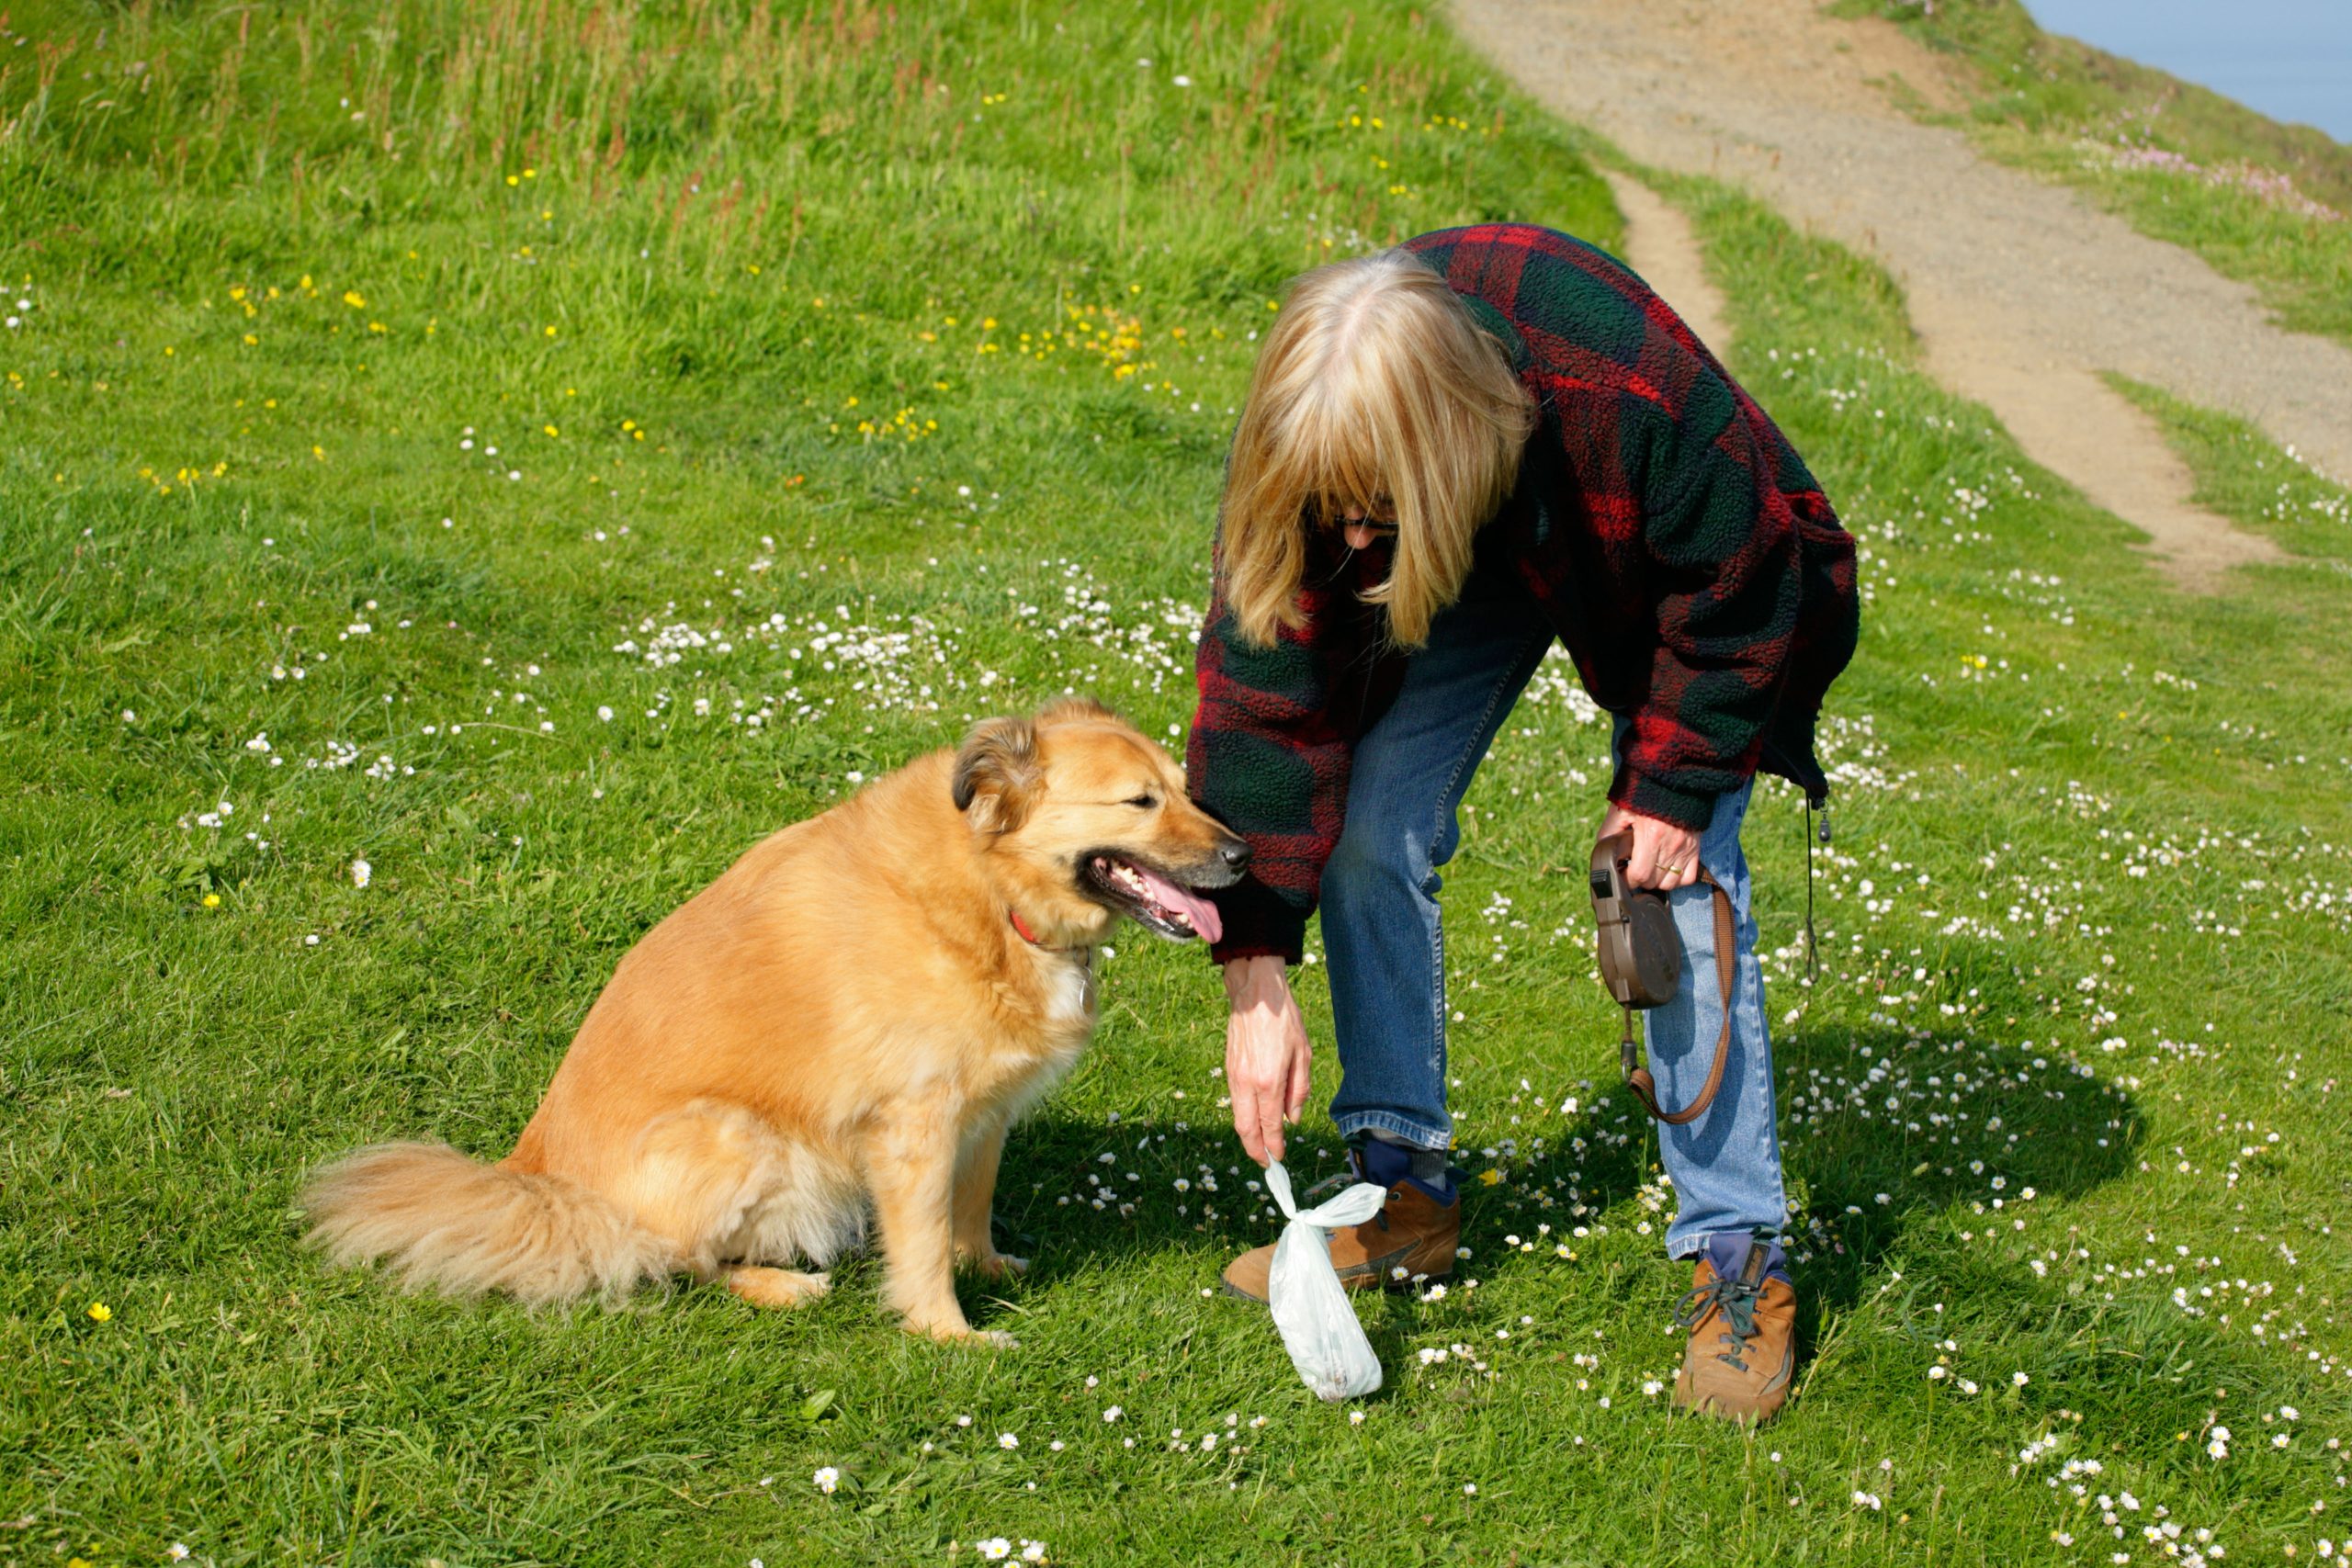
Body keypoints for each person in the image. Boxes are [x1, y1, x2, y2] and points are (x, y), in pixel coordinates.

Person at [1183, 223, 1859, 1424]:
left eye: (1369, 514)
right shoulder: (1321, 434)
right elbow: (1264, 708)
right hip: (1462, 529)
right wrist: (1253, 960)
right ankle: (1406, 1192)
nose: (1345, 544)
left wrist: (1671, 785)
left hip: (1652, 565)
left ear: (1442, 454)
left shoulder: (1632, 392)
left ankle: (1739, 1259)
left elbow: (1746, 578)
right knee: (1368, 823)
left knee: (1668, 884)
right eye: (1333, 513)